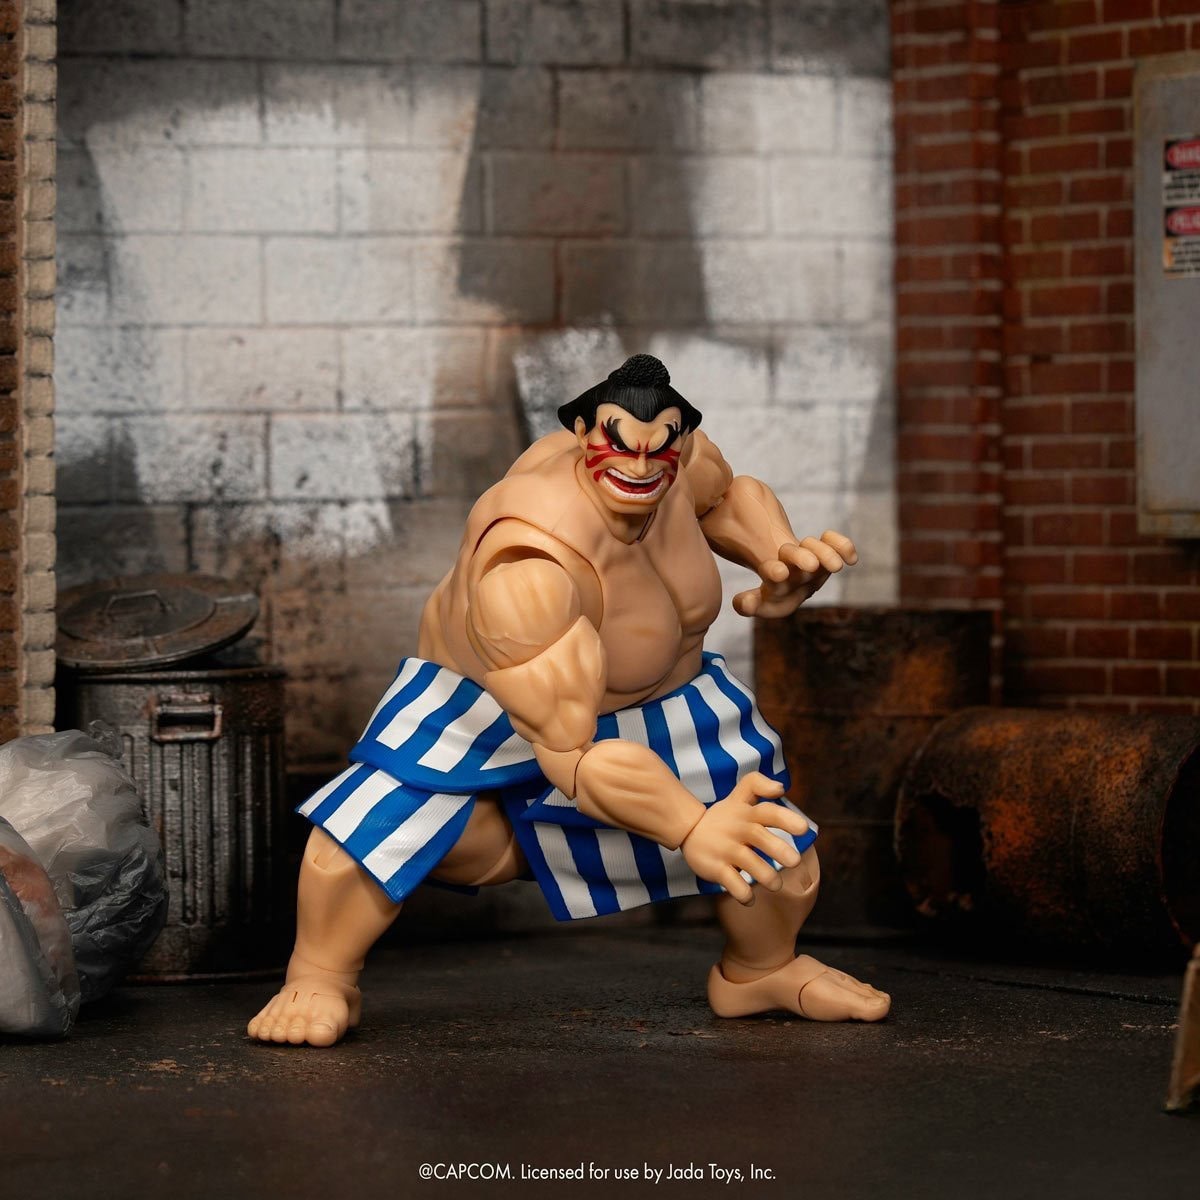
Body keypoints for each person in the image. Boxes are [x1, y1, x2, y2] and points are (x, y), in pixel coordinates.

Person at [248, 354, 890, 1047]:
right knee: (362, 834)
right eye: (620, 445)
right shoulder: (529, 563)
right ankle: (319, 975)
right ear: (584, 433)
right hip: (500, 711)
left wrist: (777, 556)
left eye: (660, 446)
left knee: (773, 839)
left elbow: (727, 497)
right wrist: (690, 827)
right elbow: (572, 758)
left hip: (664, 702)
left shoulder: (679, 459)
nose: (641, 467)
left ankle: (761, 971)